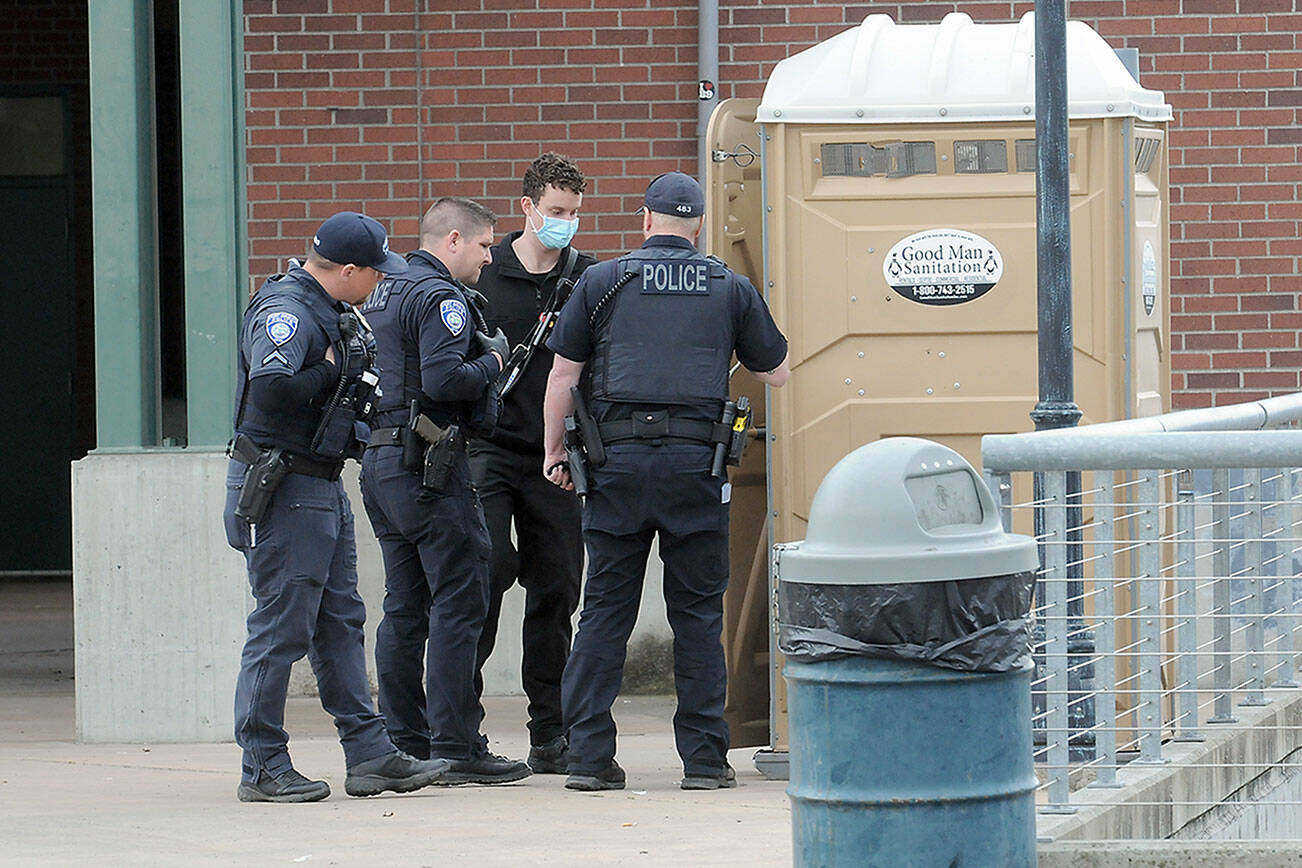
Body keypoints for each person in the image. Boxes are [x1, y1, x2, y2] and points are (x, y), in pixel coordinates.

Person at [541, 172, 791, 792]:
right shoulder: (728, 286)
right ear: (699, 226)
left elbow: (563, 376)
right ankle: (704, 762)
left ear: (646, 219)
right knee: (699, 616)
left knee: (604, 610)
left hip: (615, 467)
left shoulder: (603, 280)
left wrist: (555, 451)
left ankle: (589, 759)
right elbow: (778, 371)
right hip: (695, 470)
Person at [223, 211, 449, 803]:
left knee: (340, 622)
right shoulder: (288, 311)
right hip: (284, 487)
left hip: (319, 483)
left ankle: (370, 755)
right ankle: (262, 765)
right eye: (375, 272)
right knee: (280, 629)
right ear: (348, 270)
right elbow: (272, 389)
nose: (380, 281)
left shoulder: (328, 308)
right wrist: (329, 370)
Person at [358, 196, 531, 784]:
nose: (489, 258)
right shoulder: (439, 296)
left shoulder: (382, 290)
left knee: (405, 606)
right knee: (460, 599)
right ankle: (456, 745)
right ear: (452, 240)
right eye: (483, 245)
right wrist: (495, 360)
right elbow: (445, 379)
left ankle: (404, 741)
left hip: (382, 462)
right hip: (429, 465)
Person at [469, 153, 597, 774]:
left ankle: (550, 732)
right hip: (489, 448)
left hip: (557, 455)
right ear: (527, 207)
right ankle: (459, 728)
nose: (565, 222)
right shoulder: (484, 275)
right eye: (555, 210)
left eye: (573, 212)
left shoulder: (588, 277)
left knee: (557, 589)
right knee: (484, 573)